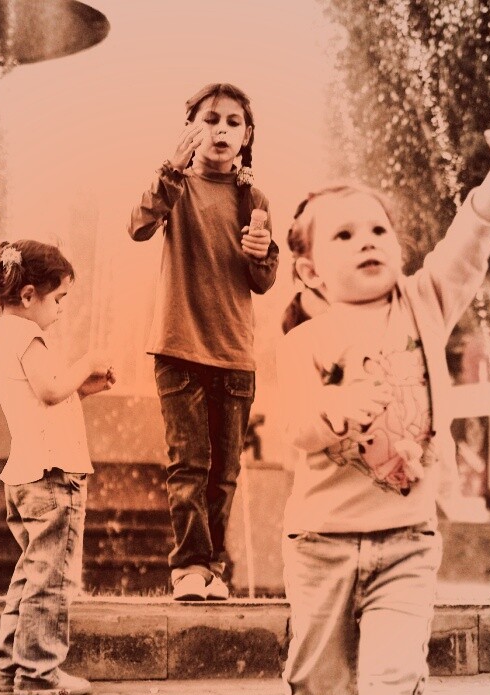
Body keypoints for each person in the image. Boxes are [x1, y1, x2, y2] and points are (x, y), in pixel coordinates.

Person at [276, 95, 490, 695]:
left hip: (407, 541)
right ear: (308, 271)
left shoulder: (425, 302)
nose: (367, 242)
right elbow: (293, 428)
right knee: (321, 693)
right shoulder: (303, 342)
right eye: (343, 236)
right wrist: (336, 411)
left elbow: (471, 238)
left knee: (392, 682)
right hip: (320, 544)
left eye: (378, 229)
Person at [128, 82, 279, 602]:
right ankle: (188, 567)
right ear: (191, 128)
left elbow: (263, 281)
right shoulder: (178, 186)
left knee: (225, 472)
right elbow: (138, 226)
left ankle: (212, 569)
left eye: (233, 122)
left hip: (235, 351)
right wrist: (170, 169)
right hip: (178, 347)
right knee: (188, 464)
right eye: (210, 119)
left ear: (247, 135)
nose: (221, 130)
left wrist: (262, 253)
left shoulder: (254, 198)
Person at [0, 239, 115, 695]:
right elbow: (50, 390)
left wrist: (85, 387)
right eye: (58, 299)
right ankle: (39, 671)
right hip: (53, 475)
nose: (61, 310)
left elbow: (46, 396)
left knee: (30, 573)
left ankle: (10, 665)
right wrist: (87, 363)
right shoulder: (28, 335)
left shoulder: (5, 334)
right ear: (28, 295)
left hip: (26, 472)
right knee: (53, 577)